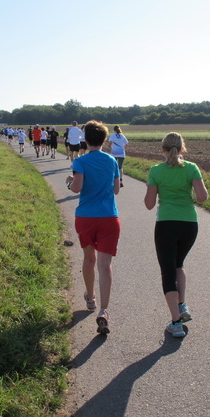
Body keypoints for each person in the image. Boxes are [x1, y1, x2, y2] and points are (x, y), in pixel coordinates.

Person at [143, 132, 208, 338]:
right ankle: (182, 305)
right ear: (182, 149)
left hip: (166, 224)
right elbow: (202, 197)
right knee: (178, 264)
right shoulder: (192, 168)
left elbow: (149, 204)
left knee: (168, 272)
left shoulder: (156, 170)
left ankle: (176, 323)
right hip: (189, 224)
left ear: (162, 149)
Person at [66, 120, 121, 335]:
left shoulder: (80, 161)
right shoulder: (112, 161)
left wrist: (69, 181)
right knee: (105, 265)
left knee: (89, 259)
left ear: (85, 139)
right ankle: (104, 311)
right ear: (105, 140)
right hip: (109, 216)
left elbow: (76, 188)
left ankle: (90, 298)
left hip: (86, 217)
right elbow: (116, 190)